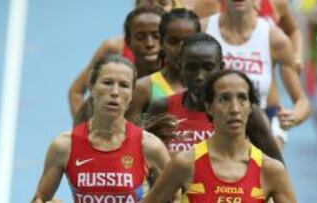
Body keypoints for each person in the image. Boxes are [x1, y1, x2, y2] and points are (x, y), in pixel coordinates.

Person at [31, 55, 172, 203]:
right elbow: (40, 197)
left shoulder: (150, 146)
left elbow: (174, 198)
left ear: (131, 94)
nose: (115, 92)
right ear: (91, 87)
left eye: (124, 85)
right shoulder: (64, 146)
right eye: (107, 83)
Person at [143, 69, 297, 203]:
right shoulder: (185, 163)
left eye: (242, 98)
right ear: (209, 107)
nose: (235, 108)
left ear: (251, 107)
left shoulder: (271, 170)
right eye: (224, 99)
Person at [148, 33, 282, 162]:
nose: (200, 76)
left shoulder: (246, 112)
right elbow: (144, 163)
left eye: (208, 67)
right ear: (180, 68)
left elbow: (277, 170)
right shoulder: (162, 108)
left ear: (221, 68)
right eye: (191, 68)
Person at [205, 0, 311, 149]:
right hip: (212, 121)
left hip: (263, 120)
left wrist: (291, 118)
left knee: (268, 168)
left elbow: (303, 102)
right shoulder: (204, 29)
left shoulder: (276, 38)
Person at [69, 5, 165, 118]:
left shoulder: (180, 74)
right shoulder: (113, 51)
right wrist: (84, 132)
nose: (150, 43)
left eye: (157, 36)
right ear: (128, 41)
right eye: (140, 37)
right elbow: (76, 93)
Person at [126, 8, 201, 120]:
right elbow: (131, 135)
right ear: (161, 43)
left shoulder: (212, 86)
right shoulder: (143, 89)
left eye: (188, 41)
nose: (180, 49)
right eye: (173, 42)